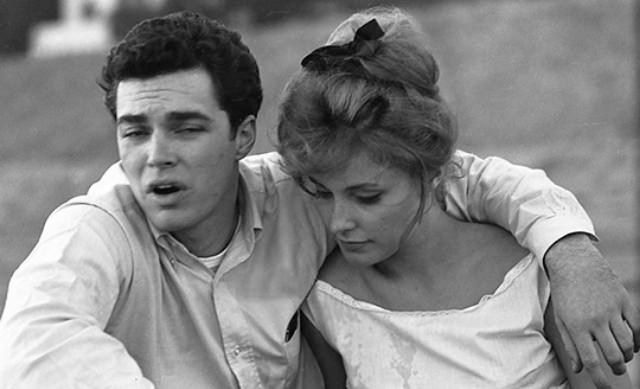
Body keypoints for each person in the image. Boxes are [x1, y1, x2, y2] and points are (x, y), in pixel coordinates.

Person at [0, 10, 635, 389]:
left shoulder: (297, 190)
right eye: (133, 131)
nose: (154, 155)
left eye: (187, 127)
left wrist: (571, 253)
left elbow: (455, 173)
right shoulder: (97, 228)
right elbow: (37, 340)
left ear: (242, 136)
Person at [276, 7, 636, 389]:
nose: (338, 222)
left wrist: (573, 258)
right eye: (321, 193)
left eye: (367, 196)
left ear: (431, 168)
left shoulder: (532, 271)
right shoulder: (323, 303)